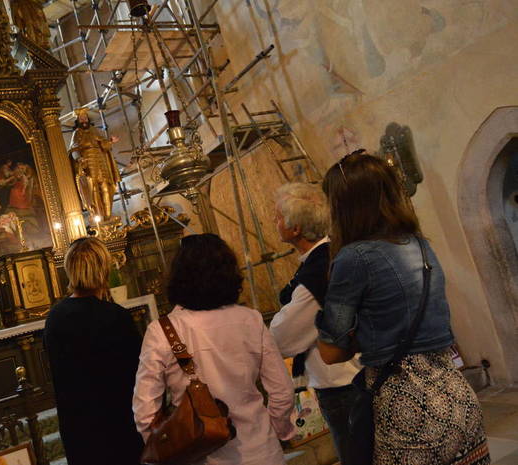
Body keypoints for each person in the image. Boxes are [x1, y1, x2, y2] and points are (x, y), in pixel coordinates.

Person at [315, 151, 490, 465]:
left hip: (409, 410)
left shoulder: (353, 258)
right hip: (457, 399)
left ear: (343, 206)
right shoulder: (421, 245)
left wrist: (358, 334)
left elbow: (330, 351)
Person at [133, 234, 295, 465]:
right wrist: (274, 432)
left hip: (200, 457)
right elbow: (282, 392)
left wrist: (168, 449)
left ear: (178, 277)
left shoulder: (162, 331)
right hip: (262, 453)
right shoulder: (251, 320)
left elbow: (145, 411)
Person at [269, 182, 359, 464]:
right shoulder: (331, 254)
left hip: (343, 384)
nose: (274, 222)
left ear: (295, 228)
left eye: (279, 217)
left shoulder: (317, 272)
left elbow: (282, 337)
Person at [43, 237, 143, 465]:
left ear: (70, 269)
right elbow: (138, 374)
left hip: (78, 428)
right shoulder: (117, 317)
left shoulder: (55, 318)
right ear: (103, 268)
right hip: (120, 426)